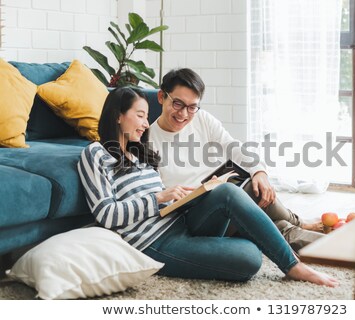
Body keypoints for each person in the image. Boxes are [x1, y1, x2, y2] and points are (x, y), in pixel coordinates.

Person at [77, 87, 338, 287]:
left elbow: (162, 202)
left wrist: (183, 198)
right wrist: (158, 198)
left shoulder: (141, 153)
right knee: (251, 259)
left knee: (227, 190)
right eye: (140, 116)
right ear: (118, 116)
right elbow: (106, 214)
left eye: (147, 117)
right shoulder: (96, 154)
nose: (146, 123)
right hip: (154, 243)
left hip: (179, 223)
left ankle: (292, 265)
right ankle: (283, 237)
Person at [148, 68, 324, 254]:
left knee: (269, 212)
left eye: (192, 107)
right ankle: (300, 222)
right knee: (248, 195)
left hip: (224, 199)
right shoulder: (147, 141)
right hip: (193, 217)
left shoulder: (202, 119)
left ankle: (340, 246)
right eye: (177, 104)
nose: (184, 114)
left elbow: (233, 147)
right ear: (161, 97)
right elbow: (157, 198)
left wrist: (259, 171)